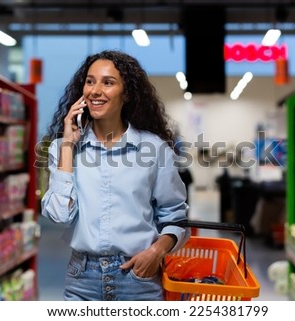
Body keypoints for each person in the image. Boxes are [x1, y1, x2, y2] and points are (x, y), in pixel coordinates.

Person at [40, 49, 190, 301]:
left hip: (138, 277)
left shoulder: (153, 148)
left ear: (127, 93)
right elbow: (59, 215)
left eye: (108, 82)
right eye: (90, 81)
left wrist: (156, 252)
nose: (95, 91)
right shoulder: (63, 148)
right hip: (81, 280)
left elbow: (175, 215)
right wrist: (67, 146)